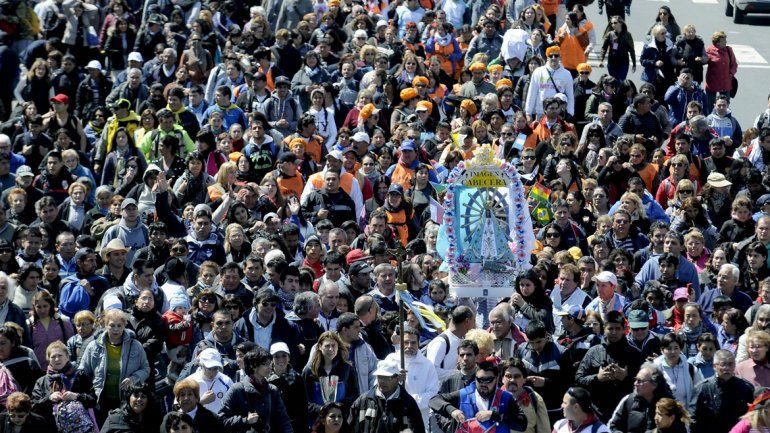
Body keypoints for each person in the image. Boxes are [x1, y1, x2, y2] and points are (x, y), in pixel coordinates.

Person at [78, 309, 150, 422]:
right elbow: (83, 371)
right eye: (112, 325)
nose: (116, 329)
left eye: (119, 325)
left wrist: (134, 378)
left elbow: (145, 369)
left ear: (124, 326)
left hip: (125, 400)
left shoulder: (135, 345)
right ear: (105, 325)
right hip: (100, 399)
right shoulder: (93, 346)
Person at [575, 310, 643, 422]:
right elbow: (578, 379)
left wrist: (626, 378)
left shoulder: (635, 354)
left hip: (626, 415)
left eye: (617, 329)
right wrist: (597, 378)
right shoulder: (593, 352)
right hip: (597, 415)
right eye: (610, 329)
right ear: (604, 328)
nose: (614, 332)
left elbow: (645, 386)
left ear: (624, 329)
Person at [219, 347, 294, 433]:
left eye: (270, 364)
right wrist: (245, 420)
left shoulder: (272, 390)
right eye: (266, 364)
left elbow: (284, 420)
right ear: (253, 366)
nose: (270, 367)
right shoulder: (237, 390)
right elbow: (222, 419)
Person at [349, 357, 426, 433]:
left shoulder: (408, 403)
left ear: (397, 378)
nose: (383, 381)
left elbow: (419, 429)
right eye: (380, 377)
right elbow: (349, 427)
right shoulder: (363, 401)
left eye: (388, 378)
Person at [609, 362, 673, 433]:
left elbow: (679, 428)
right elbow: (612, 426)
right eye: (636, 379)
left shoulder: (669, 404)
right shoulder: (628, 400)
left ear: (654, 384)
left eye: (639, 381)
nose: (635, 383)